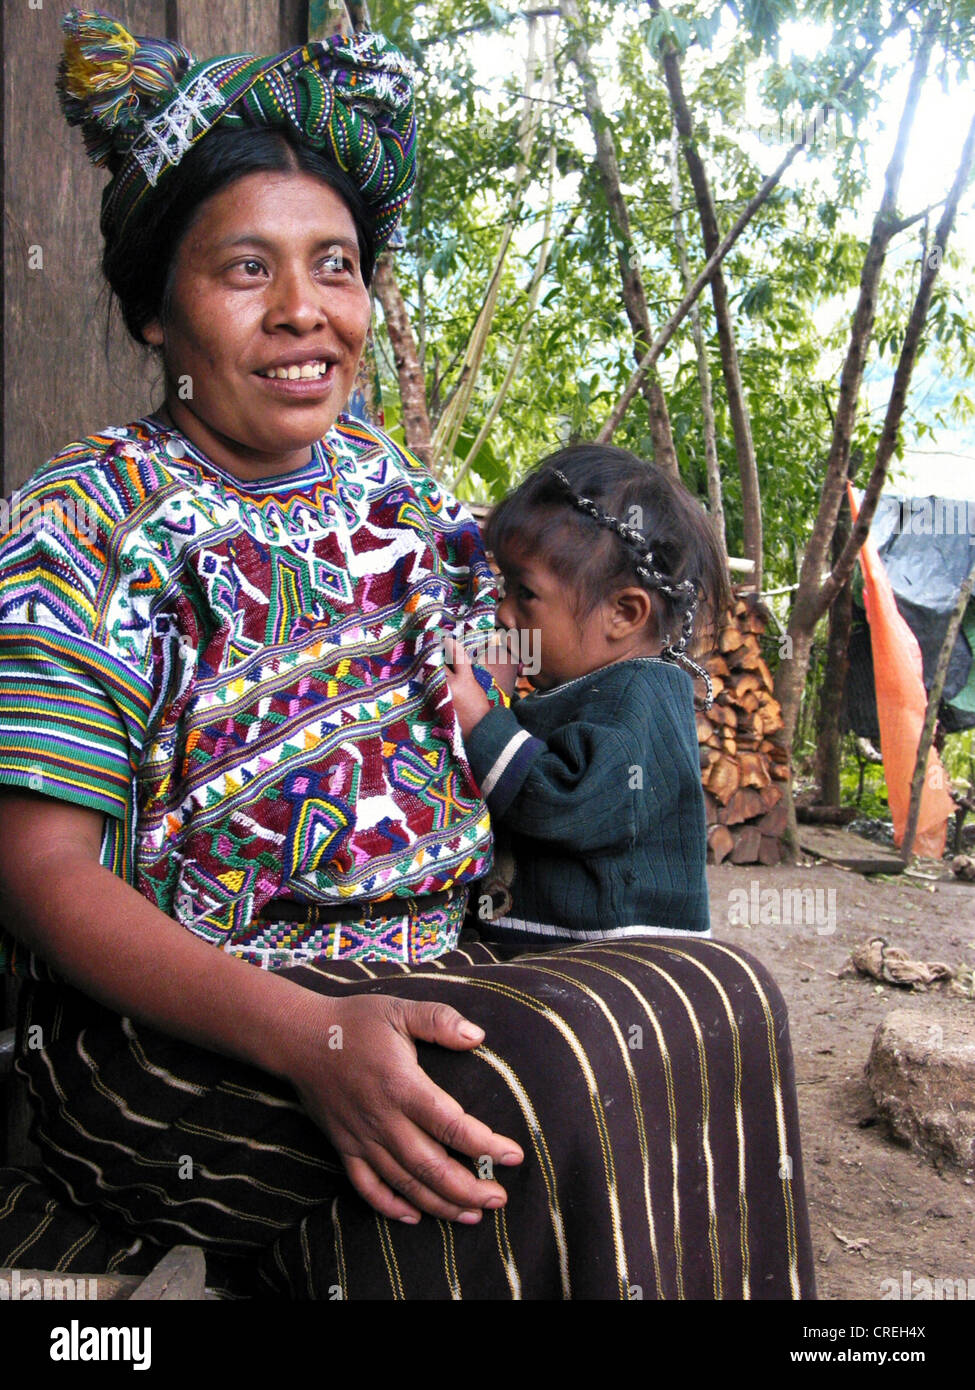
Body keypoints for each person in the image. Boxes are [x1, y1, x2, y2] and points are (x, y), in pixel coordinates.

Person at [0, 9, 816, 1300]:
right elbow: (38, 872)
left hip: (437, 955)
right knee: (532, 1095)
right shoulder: (86, 519)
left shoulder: (398, 490)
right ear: (151, 311)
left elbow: (519, 661)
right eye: (244, 271)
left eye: (333, 264)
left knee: (724, 999)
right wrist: (314, 1031)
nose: (302, 312)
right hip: (183, 1021)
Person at [445, 445, 726, 945]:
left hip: (611, 961)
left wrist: (482, 722)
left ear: (624, 613)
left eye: (525, 594)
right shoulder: (590, 685)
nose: (504, 613)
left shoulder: (643, 698)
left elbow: (567, 804)